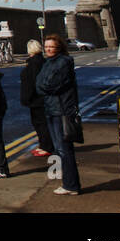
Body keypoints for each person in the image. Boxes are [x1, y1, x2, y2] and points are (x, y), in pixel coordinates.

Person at [36, 33, 81, 195]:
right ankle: (69, 183)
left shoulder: (63, 63)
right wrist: (42, 85)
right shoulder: (49, 62)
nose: (48, 49)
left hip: (61, 110)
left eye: (52, 47)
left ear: (59, 48)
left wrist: (43, 86)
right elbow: (39, 83)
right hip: (52, 108)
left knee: (64, 150)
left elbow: (49, 85)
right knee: (60, 149)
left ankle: (71, 185)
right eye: (46, 46)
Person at [19, 38, 54, 158]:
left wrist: (27, 97)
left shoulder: (34, 63)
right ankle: (43, 145)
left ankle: (46, 147)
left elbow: (33, 82)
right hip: (41, 98)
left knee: (40, 124)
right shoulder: (42, 61)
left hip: (36, 99)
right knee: (41, 123)